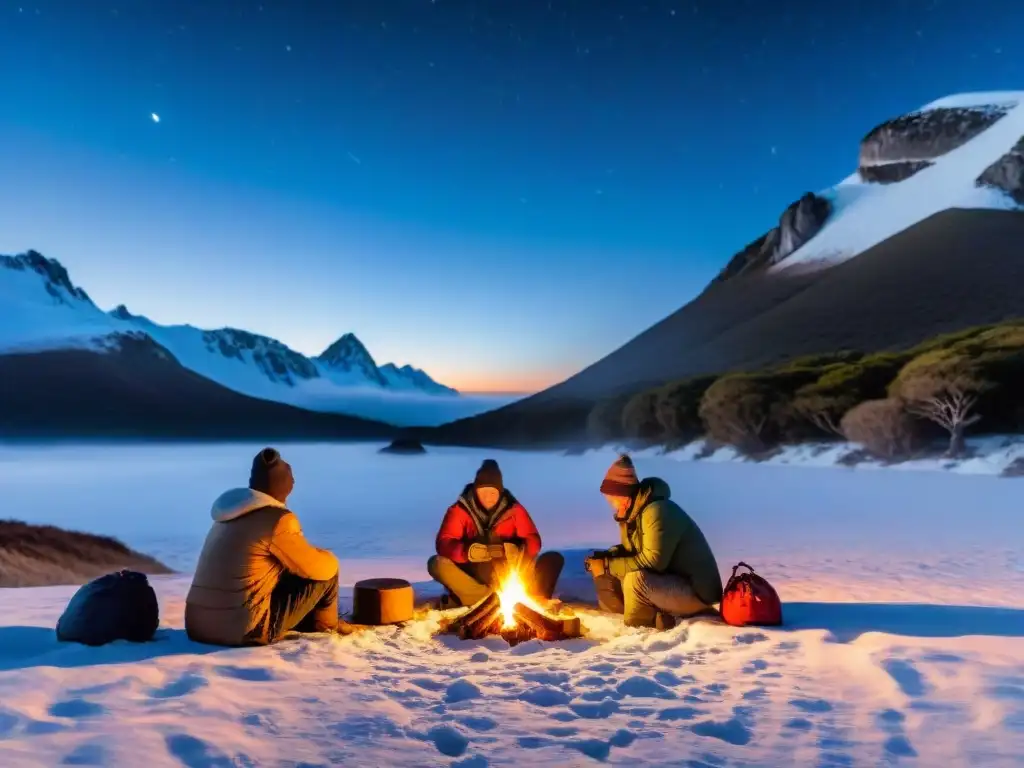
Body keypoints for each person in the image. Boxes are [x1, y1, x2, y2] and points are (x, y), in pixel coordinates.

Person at [186, 447, 346, 646]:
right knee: (328, 573)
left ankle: (310, 622)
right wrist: (327, 555)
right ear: (284, 485)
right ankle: (327, 629)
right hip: (244, 630)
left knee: (284, 570)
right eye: (291, 479)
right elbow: (319, 570)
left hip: (197, 625)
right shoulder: (277, 520)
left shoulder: (227, 516)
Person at [585, 454, 723, 630]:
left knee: (636, 579)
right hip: (669, 582)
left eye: (612, 497)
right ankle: (641, 618)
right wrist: (609, 556)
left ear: (624, 494)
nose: (610, 502)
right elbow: (634, 551)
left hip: (697, 593)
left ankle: (640, 632)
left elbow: (653, 562)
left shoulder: (658, 511)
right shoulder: (633, 514)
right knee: (608, 573)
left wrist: (607, 565)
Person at [427, 458, 564, 607]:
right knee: (436, 564)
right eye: (483, 492)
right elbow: (444, 542)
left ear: (500, 491)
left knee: (553, 559)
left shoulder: (514, 510)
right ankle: (485, 599)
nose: (488, 497)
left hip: (508, 571)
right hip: (475, 575)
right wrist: (467, 552)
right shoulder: (459, 510)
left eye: (493, 492)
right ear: (475, 490)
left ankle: (529, 598)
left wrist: (518, 549)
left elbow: (533, 540)